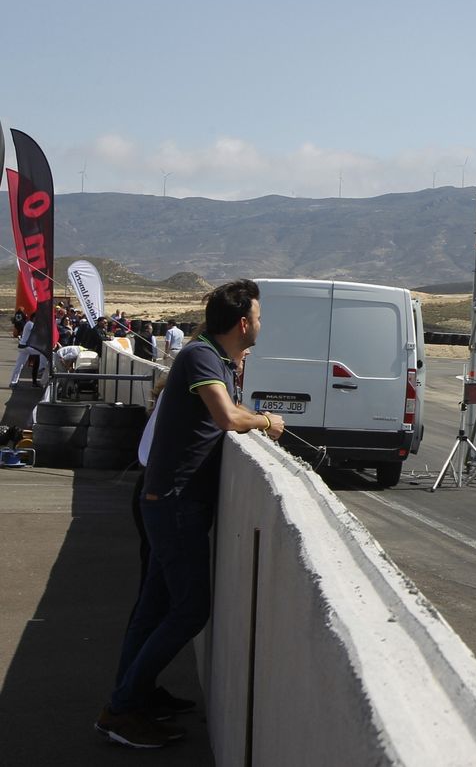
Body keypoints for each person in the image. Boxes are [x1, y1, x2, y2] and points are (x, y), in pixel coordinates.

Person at [96, 279, 285, 749]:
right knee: (189, 609)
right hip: (174, 502)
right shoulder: (202, 356)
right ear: (243, 323)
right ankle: (120, 709)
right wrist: (267, 421)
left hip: (173, 500)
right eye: (259, 317)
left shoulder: (215, 357)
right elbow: (227, 417)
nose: (261, 324)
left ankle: (135, 696)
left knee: (154, 608)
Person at [9, 315, 45, 387]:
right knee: (43, 352)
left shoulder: (29, 324)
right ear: (34, 318)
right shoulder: (30, 324)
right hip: (26, 347)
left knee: (19, 365)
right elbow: (38, 332)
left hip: (24, 347)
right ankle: (41, 368)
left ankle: (13, 382)